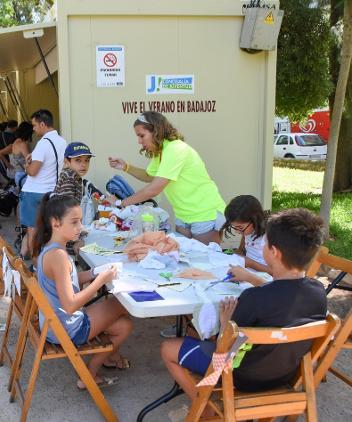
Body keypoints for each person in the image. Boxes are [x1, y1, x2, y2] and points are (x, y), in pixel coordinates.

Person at [161, 208, 327, 414]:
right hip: (285, 376)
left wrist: (224, 324)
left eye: (266, 243)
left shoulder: (253, 299)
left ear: (274, 252)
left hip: (239, 377)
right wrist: (251, 278)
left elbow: (225, 347)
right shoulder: (319, 293)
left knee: (168, 348)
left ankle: (205, 410)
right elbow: (282, 294)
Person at [33, 194, 133, 389]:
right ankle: (89, 373)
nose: (81, 227)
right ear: (56, 223)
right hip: (67, 329)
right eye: (75, 222)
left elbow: (66, 282)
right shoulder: (59, 256)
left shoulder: (50, 249)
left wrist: (95, 272)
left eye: (80, 221)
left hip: (55, 325)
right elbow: (70, 305)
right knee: (120, 303)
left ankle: (93, 370)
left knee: (124, 326)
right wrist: (101, 281)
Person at [108, 111, 226, 245]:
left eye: (142, 135)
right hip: (183, 217)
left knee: (205, 263)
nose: (139, 141)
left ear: (156, 131)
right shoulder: (161, 151)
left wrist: (121, 204)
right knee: (184, 262)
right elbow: (150, 176)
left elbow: (154, 189)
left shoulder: (175, 149)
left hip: (205, 214)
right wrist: (126, 167)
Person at [20, 109, 67, 259]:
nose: (33, 129)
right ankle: (42, 260)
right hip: (51, 191)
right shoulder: (62, 141)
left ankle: (35, 266)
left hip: (34, 193)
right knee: (48, 230)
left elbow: (33, 171)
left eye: (34, 125)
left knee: (32, 231)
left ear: (42, 124)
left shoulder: (43, 144)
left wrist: (26, 166)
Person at [220, 195, 271, 274]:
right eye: (233, 226)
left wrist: (251, 264)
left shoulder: (270, 237)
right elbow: (227, 251)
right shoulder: (239, 227)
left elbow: (280, 273)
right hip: (247, 272)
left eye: (240, 227)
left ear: (254, 220)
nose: (237, 231)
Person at [0, 121, 32, 189]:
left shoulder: (14, 143)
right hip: (24, 176)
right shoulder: (23, 144)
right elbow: (30, 161)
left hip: (18, 175)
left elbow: (0, 153)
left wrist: (8, 164)